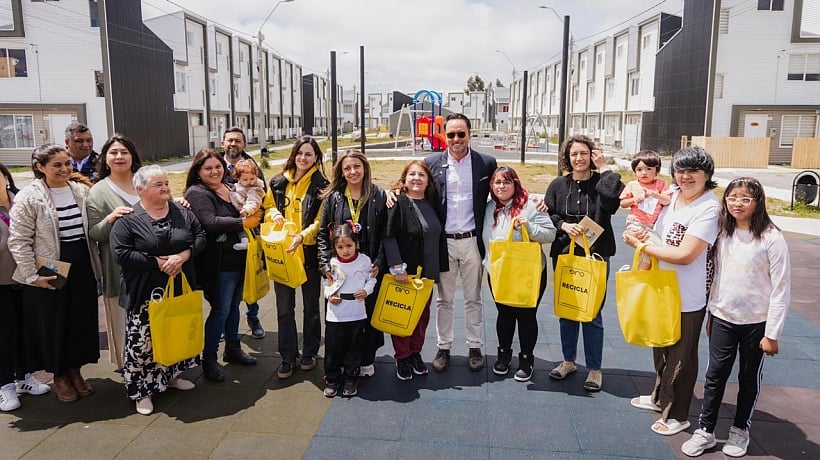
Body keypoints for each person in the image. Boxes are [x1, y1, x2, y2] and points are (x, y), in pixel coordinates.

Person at [680, 177, 790, 458]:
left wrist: (772, 334)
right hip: (723, 316)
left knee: (748, 377)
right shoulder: (723, 233)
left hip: (756, 322)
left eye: (745, 199)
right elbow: (717, 275)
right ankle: (705, 430)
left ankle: (740, 429)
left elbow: (780, 288)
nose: (737, 204)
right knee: (715, 375)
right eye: (732, 198)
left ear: (758, 202)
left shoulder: (771, 238)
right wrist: (711, 313)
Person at [623, 146, 720, 436]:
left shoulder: (709, 208)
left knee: (682, 355)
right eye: (681, 170)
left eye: (693, 171)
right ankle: (659, 397)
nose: (686, 176)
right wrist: (645, 236)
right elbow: (661, 235)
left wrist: (640, 246)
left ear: (707, 175)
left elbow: (686, 254)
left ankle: (678, 414)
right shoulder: (674, 196)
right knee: (661, 345)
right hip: (661, 285)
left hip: (688, 294)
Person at [8, 144, 102, 403]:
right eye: (57, 165)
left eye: (67, 164)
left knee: (79, 320)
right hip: (50, 266)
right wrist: (31, 275)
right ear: (40, 167)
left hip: (82, 263)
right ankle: (59, 375)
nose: (64, 169)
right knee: (54, 322)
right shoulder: (29, 196)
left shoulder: (81, 191)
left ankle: (75, 370)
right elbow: (18, 240)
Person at [110, 165, 206, 415]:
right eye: (158, 184)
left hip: (177, 290)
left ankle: (172, 377)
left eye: (166, 183)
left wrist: (183, 256)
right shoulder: (128, 219)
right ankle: (142, 391)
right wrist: (159, 262)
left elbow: (199, 237)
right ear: (139, 189)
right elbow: (121, 253)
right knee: (142, 343)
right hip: (144, 293)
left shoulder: (182, 212)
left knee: (174, 336)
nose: (165, 188)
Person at [544, 134, 623, 392]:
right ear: (567, 157)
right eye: (574, 154)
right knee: (567, 309)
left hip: (597, 255)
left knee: (592, 313)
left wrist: (606, 168)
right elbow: (549, 214)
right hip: (565, 254)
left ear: (592, 156)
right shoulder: (558, 185)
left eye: (584, 153)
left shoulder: (602, 182)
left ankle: (595, 368)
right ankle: (568, 361)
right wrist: (563, 225)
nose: (579, 158)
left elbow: (612, 203)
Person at [424, 113, 497, 373]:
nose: (456, 139)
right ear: (444, 135)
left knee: (473, 297)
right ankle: (443, 346)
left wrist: (532, 202)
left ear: (469, 134)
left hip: (471, 241)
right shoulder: (431, 163)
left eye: (461, 134)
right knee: (444, 300)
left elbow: (503, 191)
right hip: (444, 242)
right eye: (451, 134)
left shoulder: (486, 163)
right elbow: (413, 187)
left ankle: (474, 346)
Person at [184, 148, 259, 382]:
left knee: (234, 306)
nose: (214, 171)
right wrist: (244, 222)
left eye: (218, 166)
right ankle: (209, 359)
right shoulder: (197, 193)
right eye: (208, 168)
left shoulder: (228, 187)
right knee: (220, 310)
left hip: (239, 260)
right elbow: (211, 222)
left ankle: (233, 347)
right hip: (218, 264)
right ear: (198, 172)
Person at [262, 136, 329, 379]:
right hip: (282, 253)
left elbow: (321, 221)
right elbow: (267, 206)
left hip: (307, 254)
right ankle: (287, 356)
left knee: (311, 307)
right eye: (300, 153)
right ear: (294, 154)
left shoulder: (323, 185)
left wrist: (302, 236)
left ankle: (309, 352)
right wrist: (273, 216)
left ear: (316, 158)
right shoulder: (278, 181)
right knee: (283, 309)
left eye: (309, 154)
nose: (303, 158)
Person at [318, 150, 387, 378]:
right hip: (341, 270)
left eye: (357, 166)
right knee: (340, 321)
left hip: (367, 269)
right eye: (347, 168)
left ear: (365, 168)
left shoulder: (377, 195)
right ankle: (338, 365)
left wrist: (379, 261)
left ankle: (365, 359)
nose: (352, 171)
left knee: (367, 316)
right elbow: (322, 234)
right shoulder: (334, 198)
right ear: (341, 172)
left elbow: (386, 233)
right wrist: (325, 265)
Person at [483, 166, 556, 382]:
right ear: (491, 186)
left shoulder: (530, 205)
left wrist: (530, 226)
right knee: (504, 314)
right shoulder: (487, 208)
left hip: (528, 272)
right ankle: (503, 355)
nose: (502, 186)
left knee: (526, 316)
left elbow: (550, 233)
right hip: (498, 270)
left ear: (515, 184)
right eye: (497, 182)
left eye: (507, 182)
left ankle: (526, 359)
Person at [382, 160, 448, 381]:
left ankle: (415, 353)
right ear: (405, 179)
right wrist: (397, 267)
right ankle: (402, 356)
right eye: (412, 174)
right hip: (405, 273)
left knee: (421, 316)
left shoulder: (432, 202)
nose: (417, 178)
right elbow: (389, 236)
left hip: (428, 272)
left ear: (428, 180)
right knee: (401, 315)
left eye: (421, 175)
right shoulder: (397, 203)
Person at [86, 135, 144, 370]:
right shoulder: (98, 192)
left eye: (124, 152)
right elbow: (94, 233)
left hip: (153, 266)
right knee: (124, 321)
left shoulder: (146, 181)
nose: (119, 157)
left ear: (133, 156)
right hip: (118, 268)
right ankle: (131, 369)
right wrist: (110, 219)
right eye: (113, 152)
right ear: (105, 159)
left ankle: (163, 366)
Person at [0, 163, 51, 411]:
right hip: (2, 281)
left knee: (25, 331)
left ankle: (24, 377)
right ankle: (4, 386)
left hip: (28, 279)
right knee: (4, 335)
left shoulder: (22, 200)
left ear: (6, 177)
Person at [221, 127, 267, 338]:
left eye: (238, 141)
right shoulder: (215, 166)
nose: (233, 144)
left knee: (250, 276)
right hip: (223, 234)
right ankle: (225, 324)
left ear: (244, 145)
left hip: (249, 230)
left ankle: (253, 316)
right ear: (223, 143)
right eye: (230, 140)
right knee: (224, 285)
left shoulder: (253, 168)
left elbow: (263, 198)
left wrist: (255, 217)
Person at [321, 222, 376, 398]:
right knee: (333, 348)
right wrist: (329, 295)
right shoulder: (331, 263)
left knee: (354, 347)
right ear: (334, 247)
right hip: (335, 314)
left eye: (349, 246)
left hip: (357, 312)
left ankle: (351, 378)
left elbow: (371, 280)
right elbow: (326, 284)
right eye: (340, 247)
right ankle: (332, 378)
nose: (345, 250)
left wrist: (366, 290)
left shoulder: (364, 260)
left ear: (356, 244)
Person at [619, 150, 670, 269]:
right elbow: (623, 203)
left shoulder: (660, 184)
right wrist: (633, 200)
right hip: (636, 223)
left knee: (649, 250)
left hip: (651, 225)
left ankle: (636, 273)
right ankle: (640, 274)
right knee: (651, 248)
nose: (644, 173)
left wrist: (654, 194)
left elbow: (667, 200)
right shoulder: (633, 185)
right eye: (639, 170)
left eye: (648, 169)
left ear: (656, 171)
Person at [229, 159, 266, 251]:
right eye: (245, 179)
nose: (250, 182)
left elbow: (254, 200)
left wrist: (248, 210)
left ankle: (245, 242)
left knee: (244, 227)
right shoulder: (239, 186)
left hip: (249, 211)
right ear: (238, 178)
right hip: (242, 209)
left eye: (252, 178)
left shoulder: (255, 188)